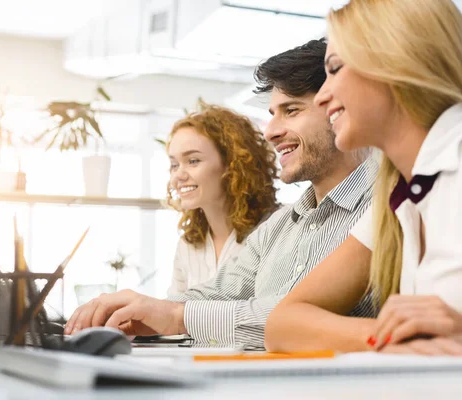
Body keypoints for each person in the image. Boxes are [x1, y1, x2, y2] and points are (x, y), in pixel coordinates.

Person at [64, 38, 377, 349]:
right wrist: (136, 309)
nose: (270, 130)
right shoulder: (279, 227)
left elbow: (294, 319)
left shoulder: (383, 208)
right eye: (272, 114)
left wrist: (176, 315)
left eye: (291, 110)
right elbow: (217, 292)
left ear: (340, 108)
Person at [264, 0, 462, 356]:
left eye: (335, 69)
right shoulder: (398, 193)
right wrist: (388, 337)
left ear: (396, 60)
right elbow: (282, 324)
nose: (323, 96)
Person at [166, 104, 279, 295]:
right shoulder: (188, 245)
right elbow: (170, 315)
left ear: (232, 164)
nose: (178, 176)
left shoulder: (275, 230)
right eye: (174, 165)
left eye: (193, 161)